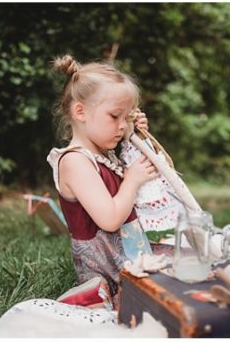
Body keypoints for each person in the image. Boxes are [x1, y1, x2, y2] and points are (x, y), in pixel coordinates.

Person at [46, 55, 160, 306]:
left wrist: (136, 134)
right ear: (80, 112)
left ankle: (112, 294)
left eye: (126, 118)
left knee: (189, 261)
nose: (121, 126)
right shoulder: (75, 161)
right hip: (105, 261)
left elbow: (144, 177)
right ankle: (95, 293)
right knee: (166, 286)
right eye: (115, 116)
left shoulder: (105, 155)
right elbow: (109, 219)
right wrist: (131, 181)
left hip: (128, 250)